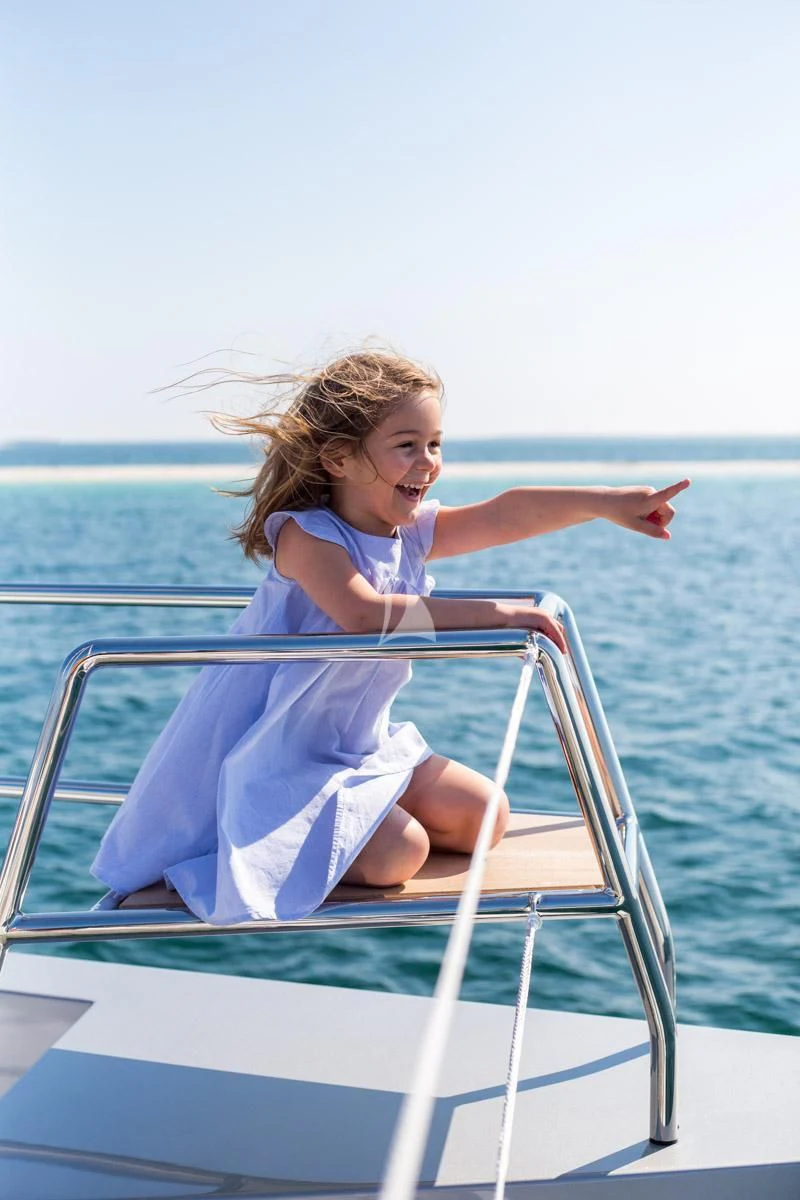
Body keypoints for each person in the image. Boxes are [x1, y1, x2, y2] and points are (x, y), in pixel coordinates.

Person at [91, 349, 689, 924]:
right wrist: (498, 615)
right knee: (403, 854)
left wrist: (610, 503)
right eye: (407, 446)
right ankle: (255, 844)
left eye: (435, 444)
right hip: (285, 756)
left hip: (362, 743)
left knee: (487, 817)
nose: (427, 462)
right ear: (338, 459)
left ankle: (360, 814)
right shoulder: (307, 535)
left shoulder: (411, 532)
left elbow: (506, 512)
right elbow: (365, 613)